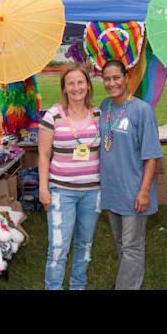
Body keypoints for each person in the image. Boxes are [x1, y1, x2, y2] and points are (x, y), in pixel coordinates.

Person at [99, 60, 163, 290]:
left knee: (132, 246)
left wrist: (144, 191)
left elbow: (151, 155)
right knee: (120, 243)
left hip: (134, 189)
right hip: (111, 189)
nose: (112, 83)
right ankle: (127, 281)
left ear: (126, 78)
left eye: (116, 77)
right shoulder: (105, 106)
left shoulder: (142, 110)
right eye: (107, 79)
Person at [38, 63, 101, 290]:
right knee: (58, 248)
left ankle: (78, 286)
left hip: (93, 192)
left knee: (85, 245)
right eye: (71, 83)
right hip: (61, 192)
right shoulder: (53, 115)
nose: (76, 88)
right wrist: (43, 188)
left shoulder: (98, 115)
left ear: (88, 85)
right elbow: (44, 154)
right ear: (64, 88)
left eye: (80, 82)